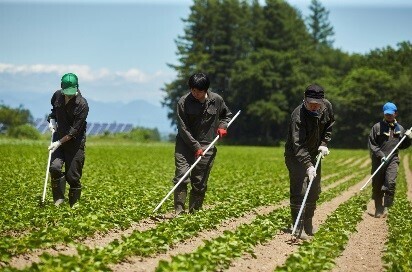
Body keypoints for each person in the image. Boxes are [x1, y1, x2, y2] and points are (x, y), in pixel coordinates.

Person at [172, 72, 232, 215]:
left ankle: (195, 213)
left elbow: (226, 115)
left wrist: (223, 126)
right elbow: (183, 128)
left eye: (198, 91)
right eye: (192, 90)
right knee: (181, 176)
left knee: (199, 182)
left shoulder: (216, 100)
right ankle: (179, 211)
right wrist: (195, 147)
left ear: (206, 90)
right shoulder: (183, 102)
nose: (195, 93)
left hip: (207, 145)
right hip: (185, 144)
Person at [284, 84, 335, 239]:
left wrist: (324, 143)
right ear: (304, 99)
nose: (314, 106)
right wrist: (308, 165)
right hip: (296, 156)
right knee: (300, 190)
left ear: (322, 101)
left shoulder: (326, 107)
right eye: (311, 103)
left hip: (315, 153)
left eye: (317, 103)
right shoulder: (297, 116)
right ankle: (297, 227)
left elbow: (329, 125)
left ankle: (308, 224)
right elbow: (298, 144)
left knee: (314, 190)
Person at [47, 73, 89, 208]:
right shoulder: (57, 95)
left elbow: (74, 131)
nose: (69, 95)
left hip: (74, 143)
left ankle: (74, 206)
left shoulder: (82, 105)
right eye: (67, 92)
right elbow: (54, 111)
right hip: (58, 136)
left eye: (72, 92)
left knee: (73, 177)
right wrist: (52, 120)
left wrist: (58, 143)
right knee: (54, 167)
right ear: (62, 88)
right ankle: (58, 201)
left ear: (77, 87)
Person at [368, 102, 411, 218]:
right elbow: (372, 144)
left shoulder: (400, 129)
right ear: (384, 113)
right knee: (377, 185)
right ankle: (378, 208)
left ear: (395, 114)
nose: (389, 116)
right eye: (386, 114)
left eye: (391, 114)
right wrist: (381, 155)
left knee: (390, 182)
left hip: (393, 159)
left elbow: (402, 146)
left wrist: (409, 138)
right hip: (379, 160)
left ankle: (386, 207)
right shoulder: (377, 127)